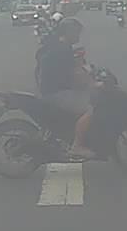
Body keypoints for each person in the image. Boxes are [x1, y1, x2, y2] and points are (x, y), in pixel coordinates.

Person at [38, 18, 96, 160]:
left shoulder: (60, 46)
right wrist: (93, 84)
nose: (78, 36)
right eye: (76, 33)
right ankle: (77, 146)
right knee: (93, 108)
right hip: (57, 93)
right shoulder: (63, 50)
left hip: (52, 89)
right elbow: (75, 75)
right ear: (69, 32)